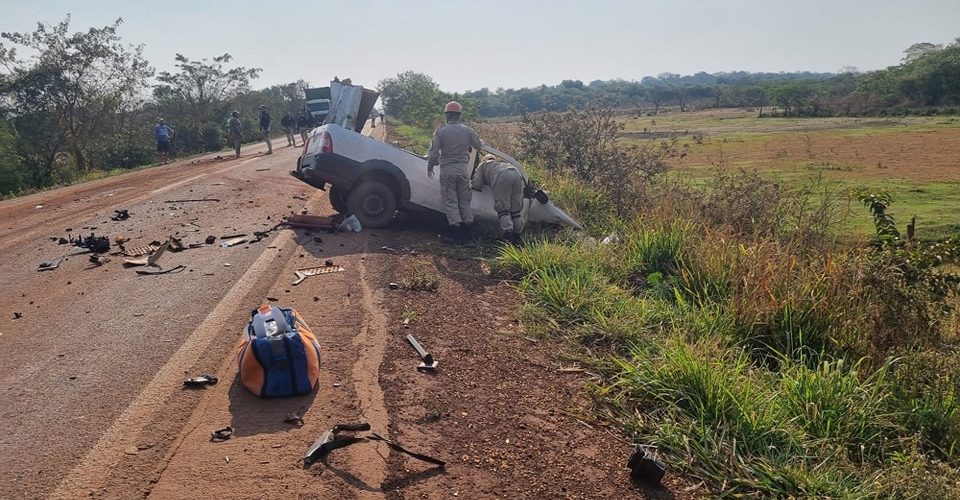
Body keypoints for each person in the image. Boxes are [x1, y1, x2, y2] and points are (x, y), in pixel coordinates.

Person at [427, 101, 482, 244]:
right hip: (463, 171)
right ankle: (469, 234)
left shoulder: (441, 131)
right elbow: (479, 146)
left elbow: (433, 154)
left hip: (447, 171)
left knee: (451, 202)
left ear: (447, 115)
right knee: (464, 201)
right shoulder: (468, 131)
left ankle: (457, 234)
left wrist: (430, 167)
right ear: (459, 115)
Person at [472, 154, 525, 243]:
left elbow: (477, 184)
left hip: (502, 176)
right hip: (516, 174)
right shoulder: (501, 163)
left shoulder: (483, 165)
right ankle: (518, 236)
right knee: (516, 210)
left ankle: (508, 235)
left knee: (503, 209)